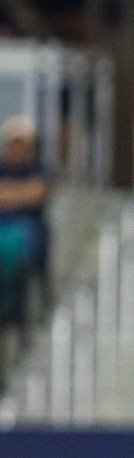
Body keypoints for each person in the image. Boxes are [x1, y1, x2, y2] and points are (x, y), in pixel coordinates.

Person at [0, 115, 52, 316]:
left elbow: (38, 193)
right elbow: (30, 193)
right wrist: (22, 192)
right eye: (14, 144)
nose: (18, 149)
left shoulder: (39, 169)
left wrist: (7, 193)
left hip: (28, 233)